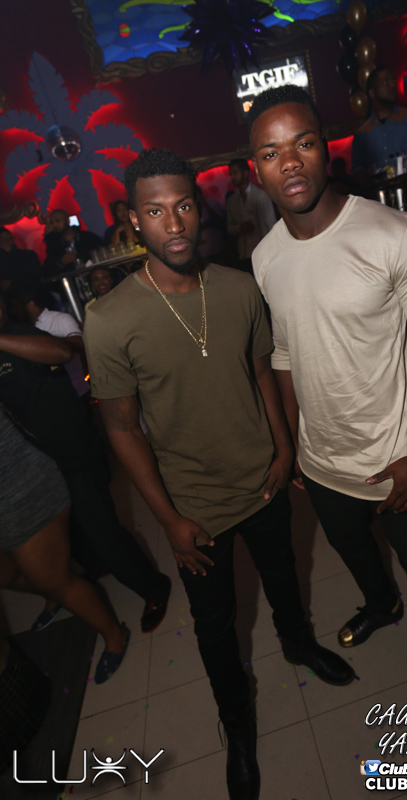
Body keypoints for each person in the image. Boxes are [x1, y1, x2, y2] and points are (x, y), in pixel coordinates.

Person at [84, 148, 354, 800]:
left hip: (263, 480)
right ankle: (237, 726)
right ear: (133, 220)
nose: (173, 223)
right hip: (194, 507)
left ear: (198, 208)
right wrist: (169, 521)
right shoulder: (110, 319)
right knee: (215, 626)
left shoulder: (237, 288)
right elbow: (121, 430)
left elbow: (262, 373)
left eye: (182, 205)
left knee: (285, 577)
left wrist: (284, 450)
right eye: (155, 211)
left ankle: (297, 644)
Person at [249, 85, 407, 705]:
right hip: (322, 461)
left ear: (326, 149)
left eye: (303, 144)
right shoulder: (264, 257)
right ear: (256, 169)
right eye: (271, 153)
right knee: (353, 551)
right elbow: (284, 353)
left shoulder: (394, 234)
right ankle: (382, 604)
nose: (290, 163)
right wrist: (292, 443)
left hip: (397, 457)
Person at [0, 295, 171, 634]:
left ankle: (153, 587)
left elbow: (62, 352)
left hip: (74, 450)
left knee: (101, 529)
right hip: (42, 464)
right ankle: (99, 567)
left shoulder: (19, 333)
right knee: (76, 533)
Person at [0, 406, 129, 684]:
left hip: (21, 491)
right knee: (6, 574)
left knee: (53, 579)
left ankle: (115, 635)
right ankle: (54, 596)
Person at [351, 67, 407, 175]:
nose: (393, 85)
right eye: (386, 82)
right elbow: (358, 169)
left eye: (393, 80)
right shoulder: (362, 134)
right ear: (372, 93)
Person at [226, 157, 276, 273]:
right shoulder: (232, 201)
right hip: (243, 253)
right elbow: (229, 229)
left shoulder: (261, 195)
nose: (232, 177)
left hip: (264, 251)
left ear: (245, 173)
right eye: (231, 174)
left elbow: (272, 224)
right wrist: (240, 227)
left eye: (235, 172)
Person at [43, 210, 102, 277]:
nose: (55, 225)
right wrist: (62, 261)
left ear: (67, 221)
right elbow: (48, 270)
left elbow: (102, 254)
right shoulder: (54, 245)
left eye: (57, 221)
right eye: (52, 223)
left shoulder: (87, 237)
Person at [0, 227, 42, 292]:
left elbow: (35, 278)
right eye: (5, 240)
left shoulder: (28, 256)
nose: (10, 242)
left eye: (11, 239)